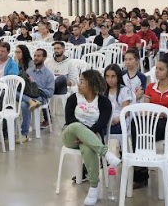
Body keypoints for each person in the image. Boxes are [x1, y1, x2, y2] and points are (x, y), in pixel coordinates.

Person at [62, 70, 120, 206]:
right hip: (71, 135)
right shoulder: (73, 98)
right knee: (76, 126)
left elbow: (102, 123)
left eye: (82, 81)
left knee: (88, 149)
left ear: (92, 83)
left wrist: (86, 136)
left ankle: (94, 187)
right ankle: (105, 153)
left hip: (93, 136)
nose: (79, 83)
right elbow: (69, 119)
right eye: (79, 80)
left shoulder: (104, 102)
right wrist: (83, 133)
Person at [135, 57, 168, 188]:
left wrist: (158, 113)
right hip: (153, 121)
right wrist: (159, 113)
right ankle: (141, 170)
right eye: (156, 68)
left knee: (144, 134)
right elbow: (145, 110)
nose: (157, 71)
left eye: (161, 69)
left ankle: (142, 165)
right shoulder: (151, 87)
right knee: (135, 125)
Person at [17, 48, 55, 143]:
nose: (36, 58)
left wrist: (36, 88)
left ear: (44, 58)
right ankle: (30, 101)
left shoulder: (48, 74)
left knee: (23, 104)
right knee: (13, 91)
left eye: (39, 56)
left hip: (39, 97)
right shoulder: (29, 71)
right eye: (35, 56)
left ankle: (24, 134)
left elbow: (50, 93)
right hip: (28, 95)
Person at [103, 64, 133, 136]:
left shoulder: (125, 90)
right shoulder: (103, 90)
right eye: (107, 76)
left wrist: (117, 119)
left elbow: (126, 112)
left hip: (120, 121)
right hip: (106, 120)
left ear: (118, 77)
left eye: (113, 76)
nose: (110, 79)